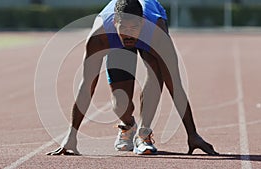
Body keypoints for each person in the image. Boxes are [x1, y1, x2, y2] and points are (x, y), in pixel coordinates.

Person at [47, 0, 218, 155]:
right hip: (116, 41)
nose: (129, 35)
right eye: (124, 28)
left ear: (142, 22)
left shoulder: (156, 31)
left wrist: (192, 134)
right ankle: (129, 126)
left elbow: (174, 84)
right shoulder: (100, 37)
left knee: (156, 73)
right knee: (120, 105)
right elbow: (86, 86)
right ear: (115, 23)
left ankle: (143, 134)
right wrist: (72, 135)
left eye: (134, 28)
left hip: (150, 35)